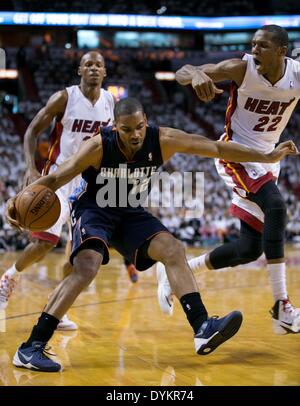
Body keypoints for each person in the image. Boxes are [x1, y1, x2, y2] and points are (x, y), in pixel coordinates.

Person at [6, 97, 297, 372]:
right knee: (87, 267)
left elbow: (218, 148)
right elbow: (57, 178)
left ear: (146, 121)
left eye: (139, 127)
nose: (134, 135)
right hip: (95, 208)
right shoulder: (98, 146)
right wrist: (17, 201)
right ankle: (31, 346)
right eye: (126, 129)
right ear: (114, 127)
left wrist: (266, 154)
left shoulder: (164, 140)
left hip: (129, 210)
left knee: (173, 249)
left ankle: (202, 327)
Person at [156, 25, 300, 335]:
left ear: (281, 51)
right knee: (276, 208)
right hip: (235, 154)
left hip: (268, 161)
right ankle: (282, 308)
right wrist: (195, 74)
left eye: (262, 46)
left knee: (249, 249)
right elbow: (186, 70)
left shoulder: (297, 75)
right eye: (253, 44)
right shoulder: (240, 67)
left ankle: (173, 274)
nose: (254, 50)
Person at [0, 51, 129, 331]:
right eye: (88, 65)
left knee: (79, 251)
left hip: (90, 183)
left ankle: (55, 308)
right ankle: (10, 277)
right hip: (60, 177)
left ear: (105, 72)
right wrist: (30, 168)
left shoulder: (110, 102)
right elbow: (31, 131)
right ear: (79, 70)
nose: (93, 69)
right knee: (46, 241)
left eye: (99, 65)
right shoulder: (64, 98)